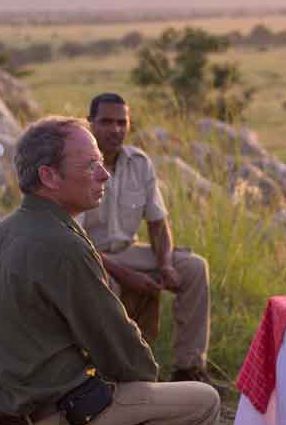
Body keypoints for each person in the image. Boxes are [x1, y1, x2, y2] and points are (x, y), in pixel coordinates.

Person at [0, 115, 220, 425]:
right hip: (43, 419)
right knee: (203, 402)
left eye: (101, 163)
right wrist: (146, 381)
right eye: (90, 165)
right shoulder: (62, 244)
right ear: (49, 177)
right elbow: (123, 353)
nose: (105, 174)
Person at [80, 93, 213, 384]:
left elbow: (157, 221)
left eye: (121, 122)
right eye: (105, 122)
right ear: (89, 123)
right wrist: (126, 275)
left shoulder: (139, 163)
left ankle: (188, 368)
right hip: (89, 256)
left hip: (129, 251)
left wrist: (165, 264)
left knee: (193, 267)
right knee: (108, 284)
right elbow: (75, 238)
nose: (115, 129)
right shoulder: (79, 166)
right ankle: (114, 376)